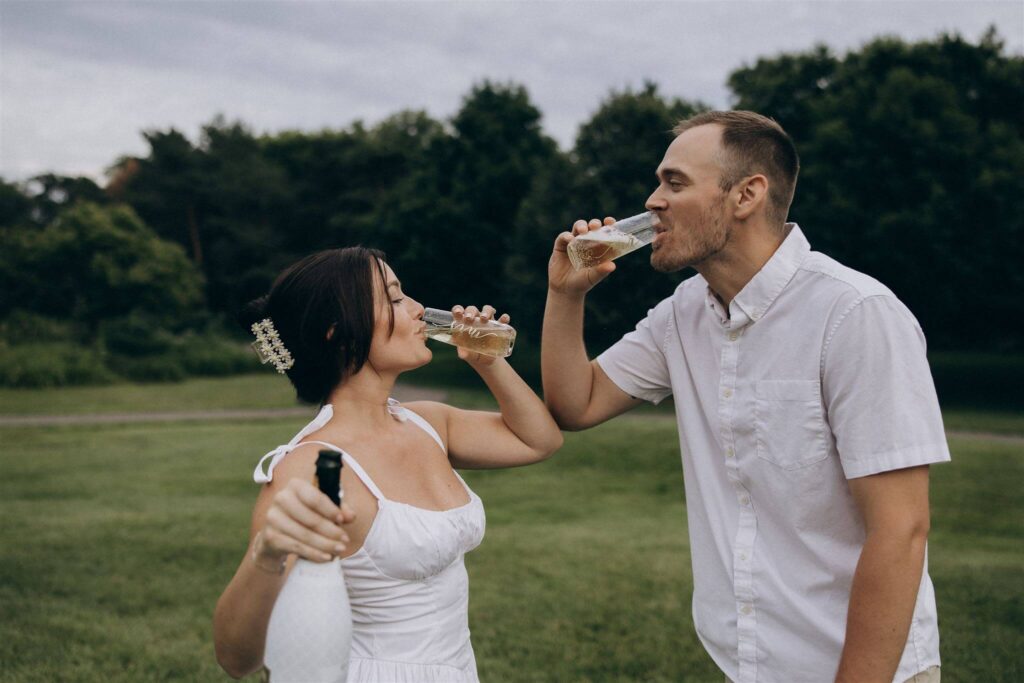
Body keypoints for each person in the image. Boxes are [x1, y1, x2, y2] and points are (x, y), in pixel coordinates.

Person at [541, 110, 949, 683]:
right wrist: (566, 296)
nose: (653, 200)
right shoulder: (683, 314)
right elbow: (575, 404)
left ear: (746, 195)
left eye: (674, 182)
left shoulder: (856, 314)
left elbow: (901, 529)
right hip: (748, 666)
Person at [213, 246, 563, 681]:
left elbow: (539, 441)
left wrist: (489, 364)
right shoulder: (309, 469)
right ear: (335, 331)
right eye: (395, 298)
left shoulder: (429, 423)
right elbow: (238, 659)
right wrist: (265, 555)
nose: (418, 309)